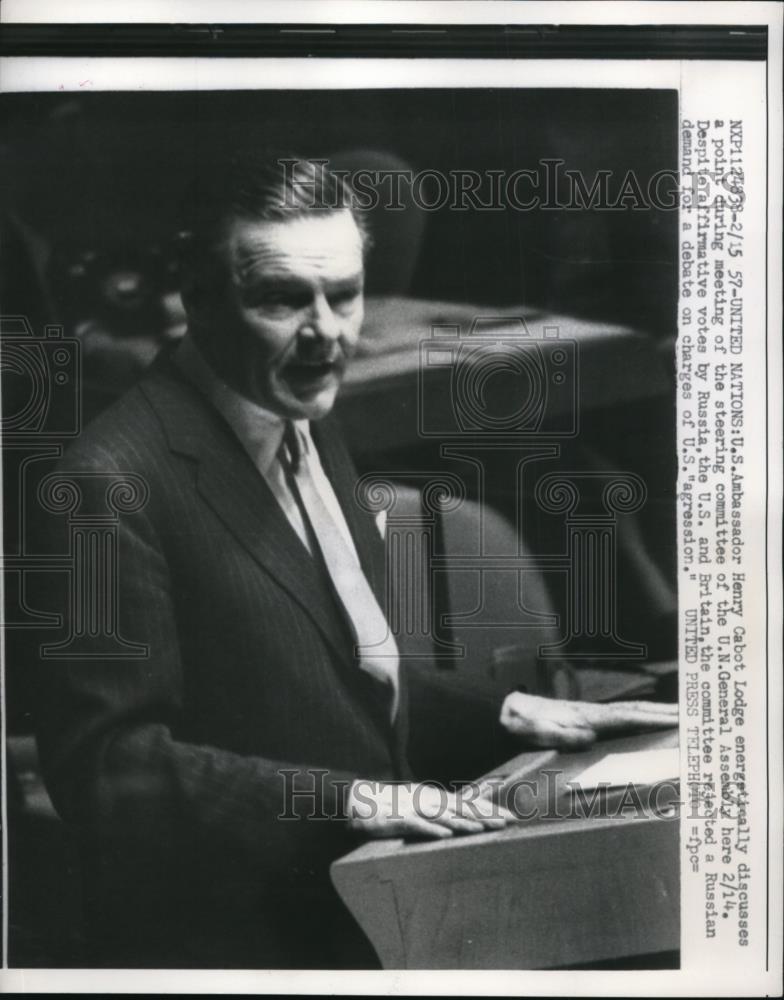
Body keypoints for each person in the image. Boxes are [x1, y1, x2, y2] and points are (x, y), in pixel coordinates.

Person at [33, 153, 676, 969]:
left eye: (344, 296)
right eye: (281, 299)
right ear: (197, 301)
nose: (326, 334)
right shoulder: (105, 484)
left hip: (375, 897)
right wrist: (352, 800)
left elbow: (333, 688)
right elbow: (107, 769)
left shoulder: (304, 418)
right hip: (254, 948)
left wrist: (510, 713)